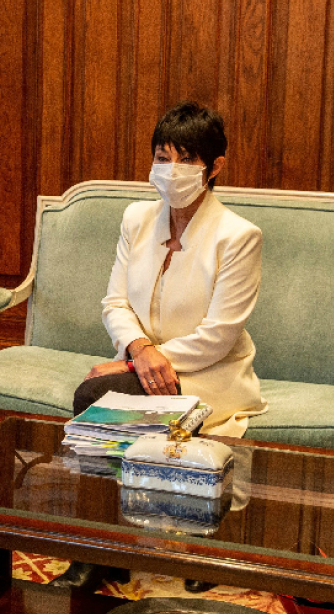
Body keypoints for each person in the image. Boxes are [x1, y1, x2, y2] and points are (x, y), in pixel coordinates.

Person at [59, 102, 268, 593]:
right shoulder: (136, 219)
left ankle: (166, 548)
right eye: (162, 157)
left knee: (96, 398)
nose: (171, 171)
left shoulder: (239, 236)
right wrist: (136, 348)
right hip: (145, 361)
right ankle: (105, 549)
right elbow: (114, 301)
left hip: (208, 370)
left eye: (186, 159)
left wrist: (142, 360)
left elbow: (221, 333)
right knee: (106, 395)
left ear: (215, 167)